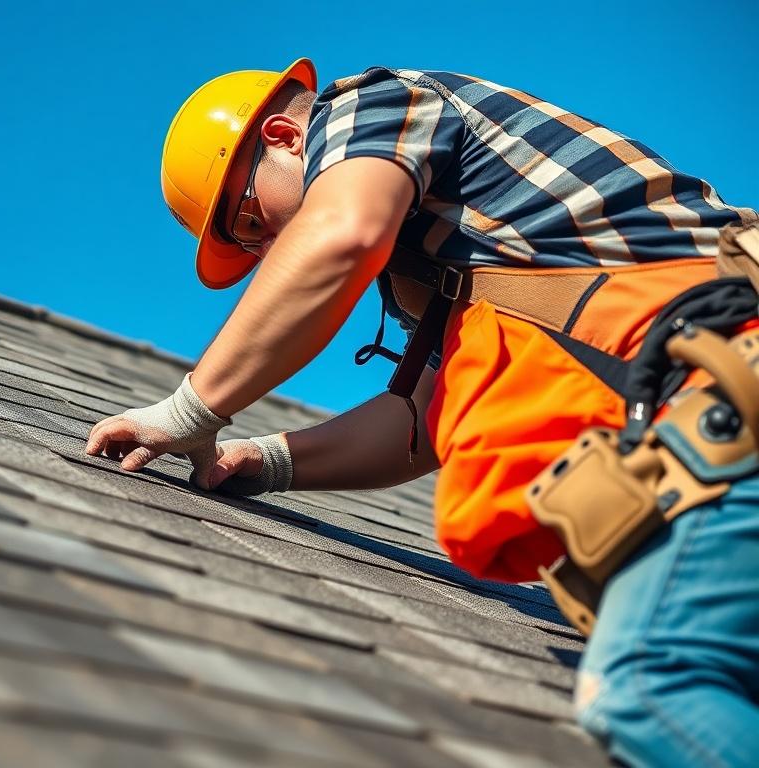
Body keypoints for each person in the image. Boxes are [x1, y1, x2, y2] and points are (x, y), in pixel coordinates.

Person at [85, 58, 759, 767]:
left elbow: (340, 237)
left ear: (284, 136)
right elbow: (422, 421)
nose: (265, 251)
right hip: (706, 421)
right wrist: (260, 460)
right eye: (250, 247)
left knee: (651, 690)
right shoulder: (450, 257)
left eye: (250, 221)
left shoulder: (373, 104)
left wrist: (190, 408)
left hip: (723, 396)